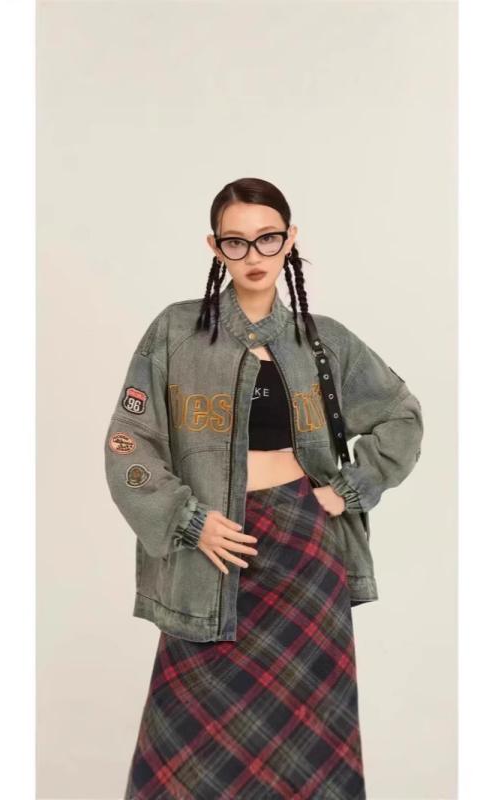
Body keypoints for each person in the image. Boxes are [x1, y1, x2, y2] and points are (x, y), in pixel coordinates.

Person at [105, 177, 424, 799]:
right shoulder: (175, 332)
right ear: (215, 247)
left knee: (309, 744)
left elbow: (401, 416)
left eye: (267, 238)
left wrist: (348, 488)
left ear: (290, 239)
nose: (253, 255)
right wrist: (188, 520)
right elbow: (128, 442)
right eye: (236, 241)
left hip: (306, 553)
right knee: (183, 749)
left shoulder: (324, 340)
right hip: (212, 552)